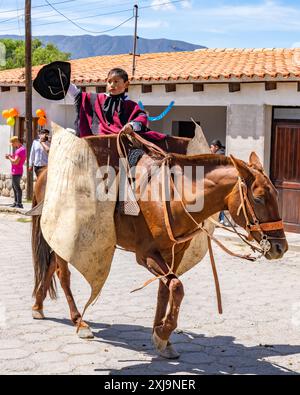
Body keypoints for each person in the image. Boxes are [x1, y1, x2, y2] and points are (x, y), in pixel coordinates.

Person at [33, 62, 166, 141]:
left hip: (121, 144)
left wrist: (131, 126)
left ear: (126, 84)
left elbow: (141, 117)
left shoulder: (130, 105)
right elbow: (77, 94)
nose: (112, 84)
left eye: (116, 81)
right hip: (97, 142)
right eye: (109, 81)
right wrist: (61, 81)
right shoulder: (96, 99)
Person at [5, 136, 27, 209]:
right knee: (14, 187)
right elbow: (17, 159)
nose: (12, 145)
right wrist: (11, 156)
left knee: (17, 187)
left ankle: (19, 203)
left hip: (17, 171)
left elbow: (15, 162)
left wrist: (9, 158)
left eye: (12, 144)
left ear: (15, 142)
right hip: (16, 171)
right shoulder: (21, 149)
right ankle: (16, 202)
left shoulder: (19, 150)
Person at [210, 139, 226, 224]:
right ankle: (221, 219)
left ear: (216, 147)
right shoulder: (219, 153)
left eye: (211, 147)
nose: (210, 149)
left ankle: (221, 219)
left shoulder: (219, 155)